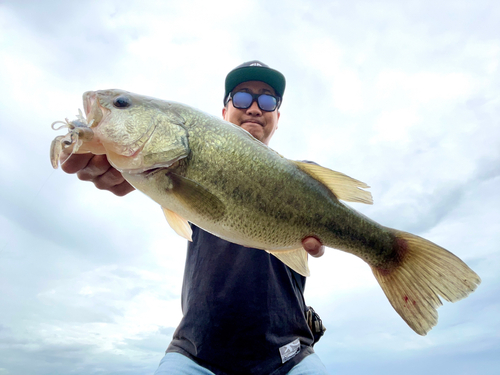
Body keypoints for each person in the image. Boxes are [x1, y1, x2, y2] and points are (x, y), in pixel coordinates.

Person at [61, 61, 329, 374]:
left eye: (267, 100)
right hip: (195, 353)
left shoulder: (303, 182)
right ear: (224, 113)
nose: (255, 108)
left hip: (291, 353)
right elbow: (151, 175)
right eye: (242, 98)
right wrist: (119, 167)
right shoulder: (181, 161)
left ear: (277, 117)